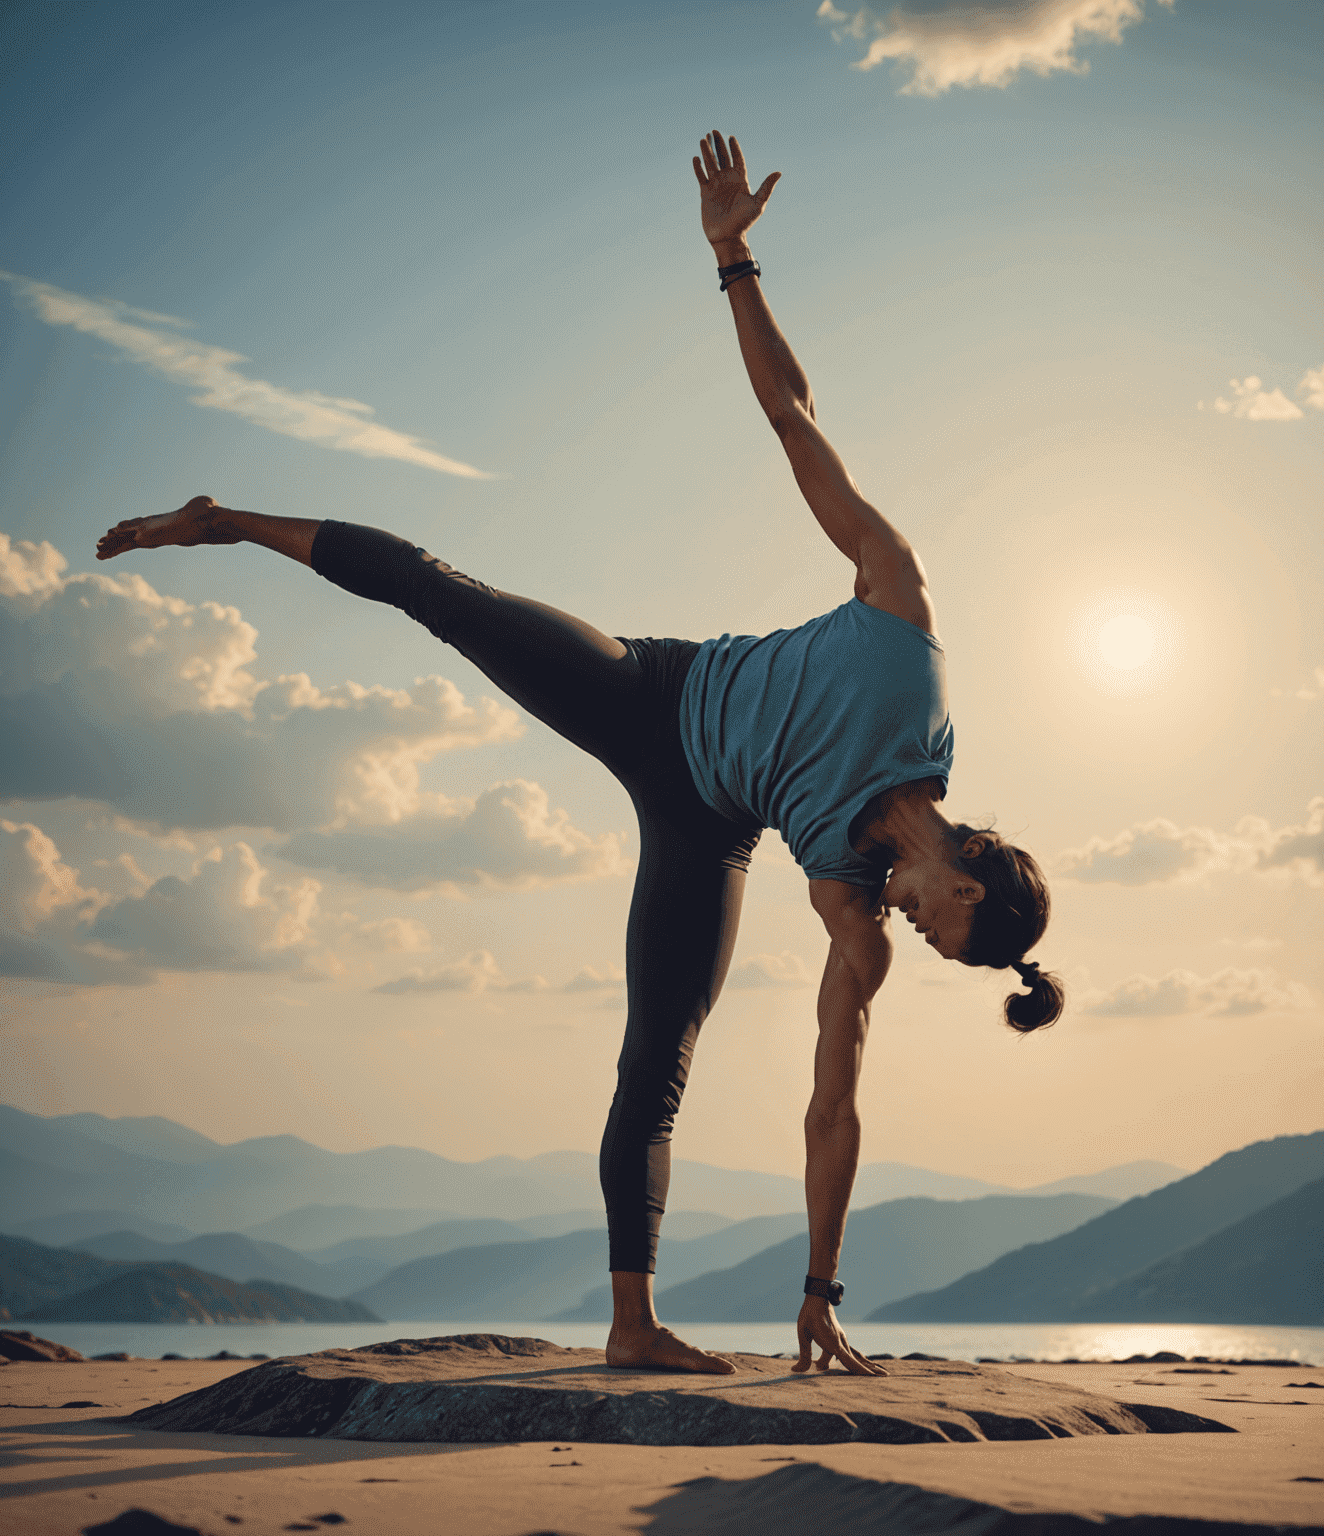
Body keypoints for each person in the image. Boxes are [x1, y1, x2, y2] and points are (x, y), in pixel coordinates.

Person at [96, 130, 1063, 1379]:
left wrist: (821, 1287)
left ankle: (631, 1324)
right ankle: (224, 518)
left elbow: (834, 1106)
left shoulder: (851, 909)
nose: (922, 946)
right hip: (650, 692)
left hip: (705, 820)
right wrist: (734, 259)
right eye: (948, 935)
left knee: (658, 1052)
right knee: (447, 594)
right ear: (966, 887)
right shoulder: (904, 637)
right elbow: (793, 419)